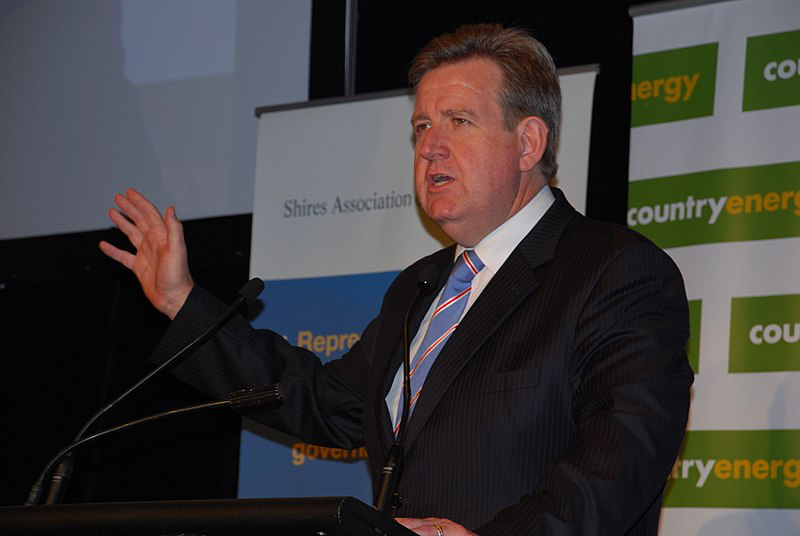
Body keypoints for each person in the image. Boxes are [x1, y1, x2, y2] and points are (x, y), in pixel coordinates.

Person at [100, 23, 693, 535]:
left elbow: (621, 459)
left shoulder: (612, 270)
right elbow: (327, 405)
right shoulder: (420, 287)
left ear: (528, 142)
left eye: (458, 121)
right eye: (422, 126)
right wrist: (181, 300)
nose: (430, 147)